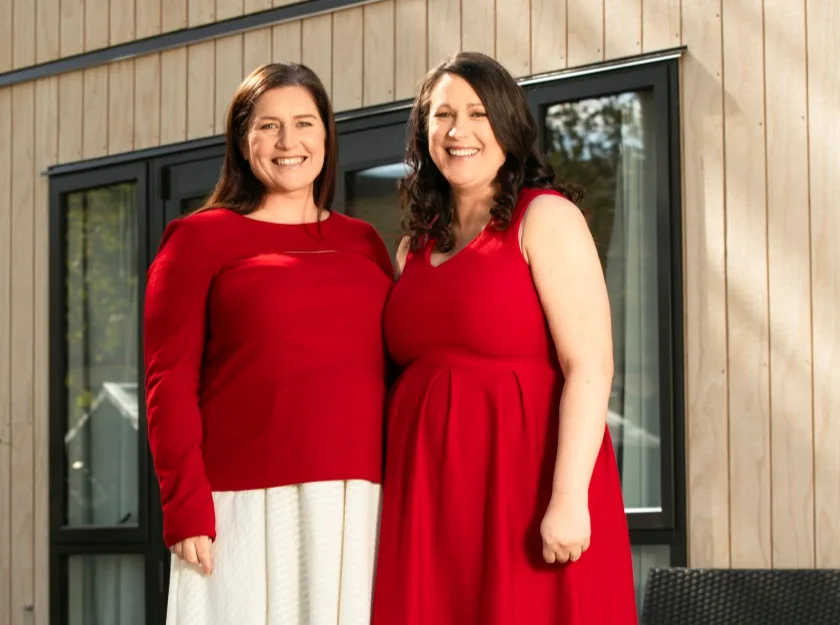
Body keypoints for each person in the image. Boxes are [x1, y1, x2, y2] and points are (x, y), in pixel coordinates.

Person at [371, 51, 638, 624]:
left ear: (509, 126)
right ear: (424, 132)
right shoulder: (410, 249)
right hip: (428, 502)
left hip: (526, 488)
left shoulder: (546, 219)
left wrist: (568, 500)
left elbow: (591, 366)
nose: (458, 131)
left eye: (477, 113)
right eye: (442, 115)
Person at [143, 63, 393, 625]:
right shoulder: (197, 239)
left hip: (362, 498)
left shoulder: (364, 242)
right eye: (268, 126)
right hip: (242, 503)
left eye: (305, 123)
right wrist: (185, 509)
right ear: (241, 139)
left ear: (327, 136)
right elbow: (168, 381)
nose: (289, 142)